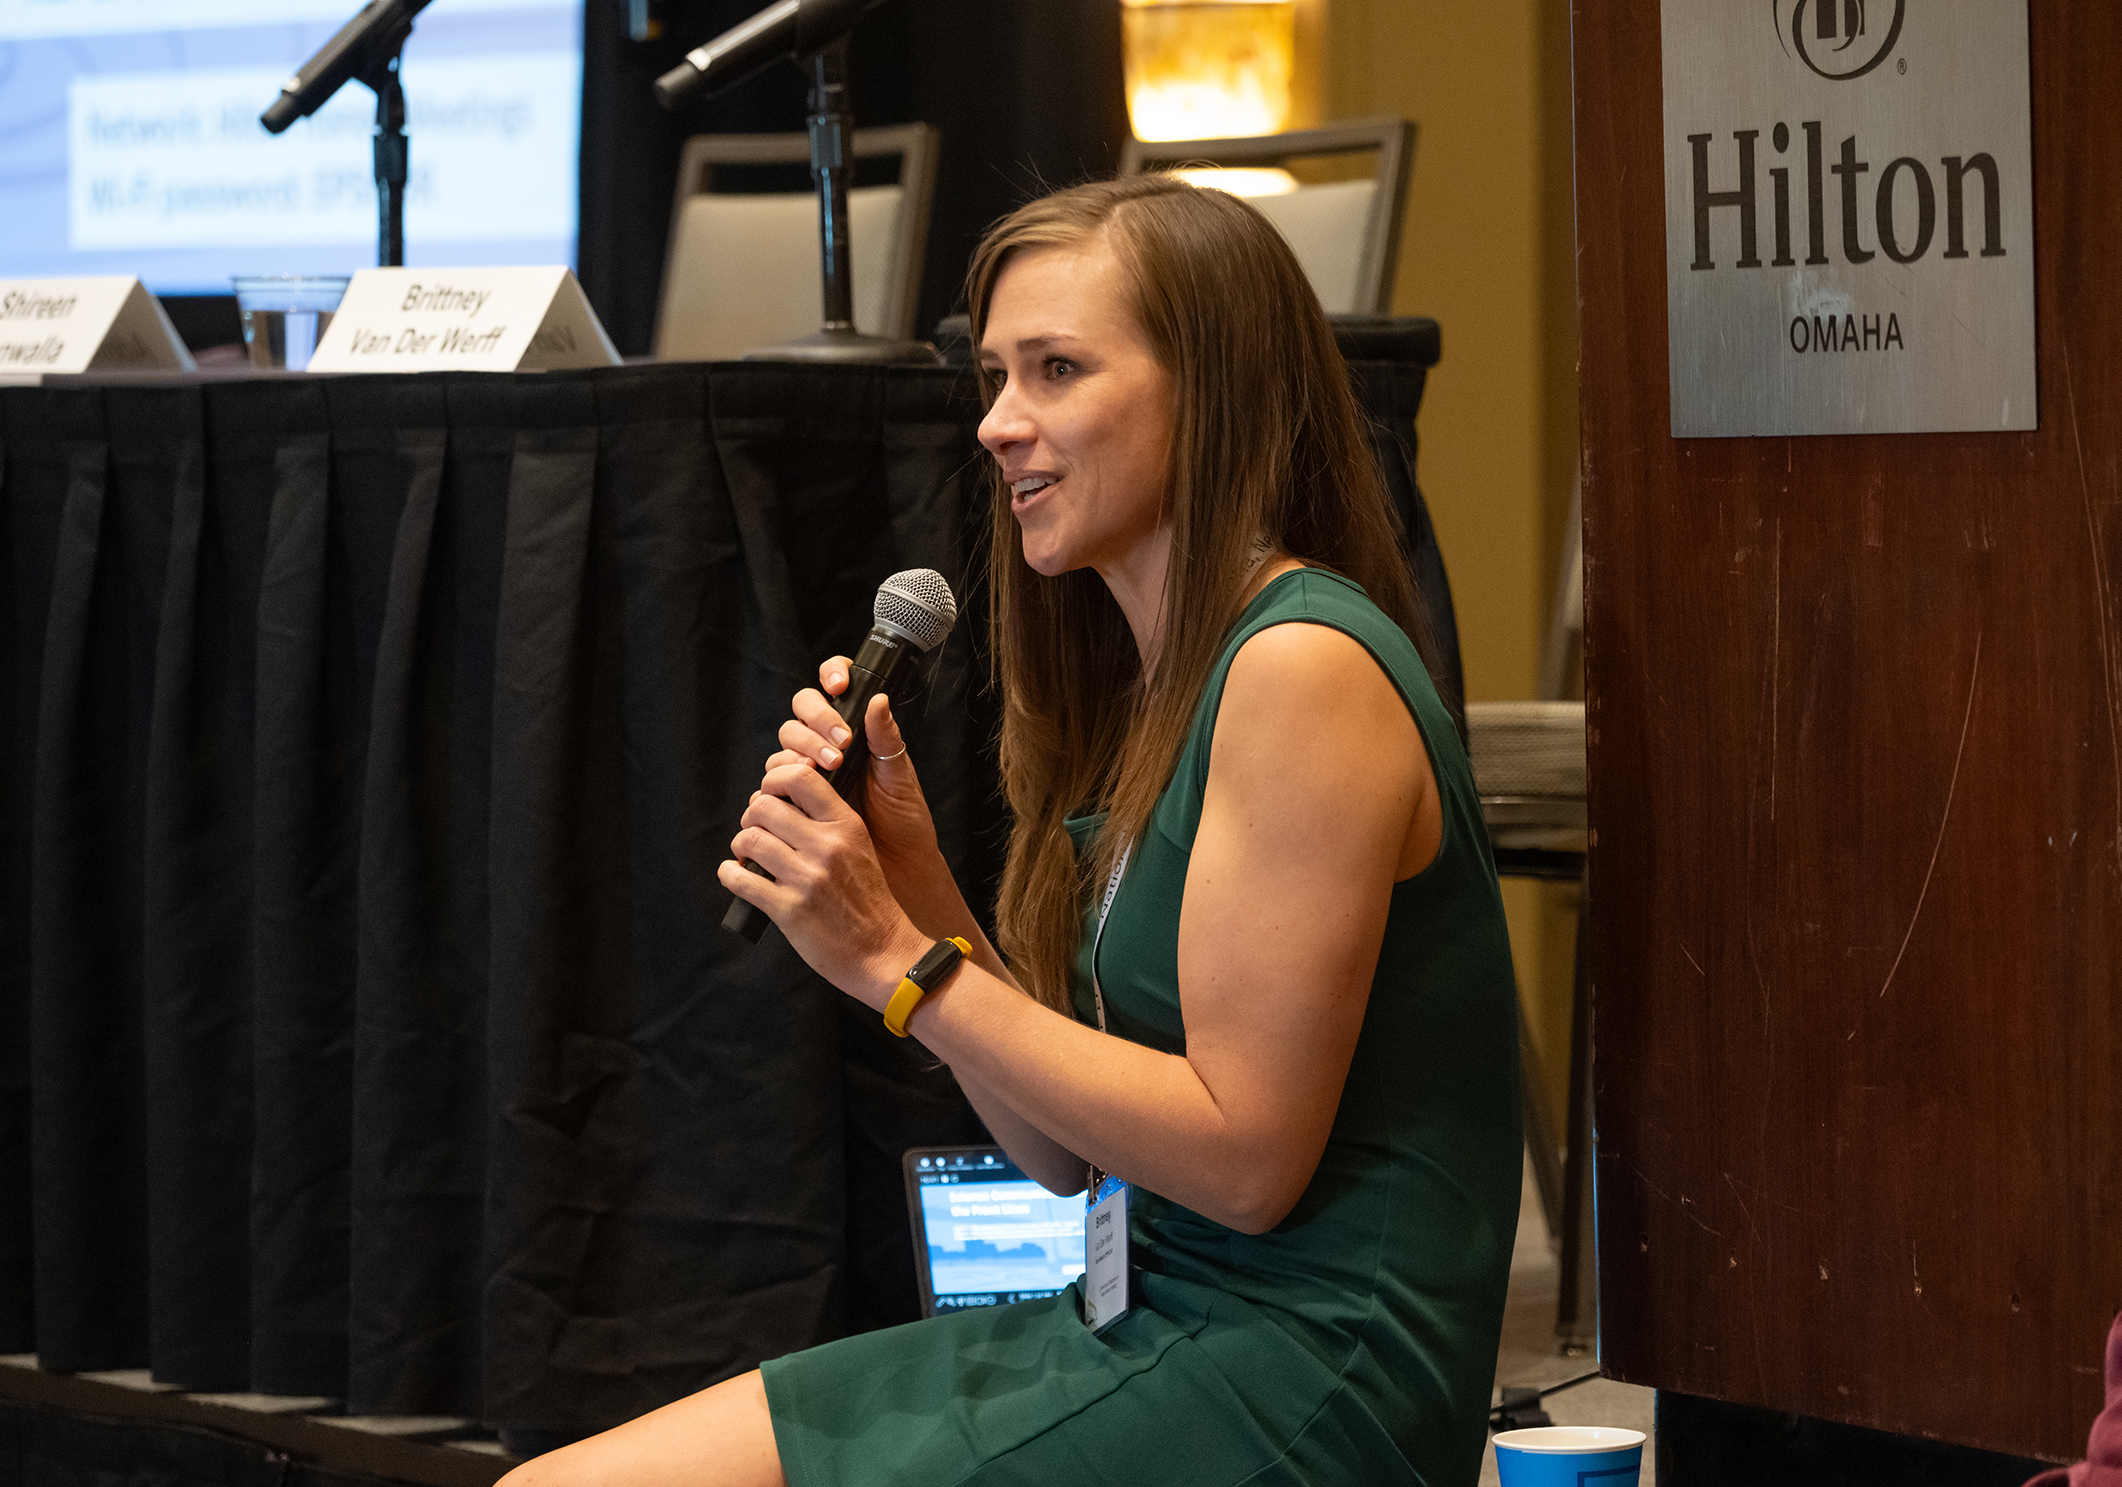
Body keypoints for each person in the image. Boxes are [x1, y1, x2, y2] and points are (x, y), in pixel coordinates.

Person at [503, 174, 1521, 1487]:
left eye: (1055, 371)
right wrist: (918, 890)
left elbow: (1247, 1163)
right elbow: (1057, 1157)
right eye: (993, 376)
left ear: (1210, 395)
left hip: (1301, 1373)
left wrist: (896, 962)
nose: (997, 426)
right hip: (1141, 1320)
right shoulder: (1162, 681)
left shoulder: (1299, 671)